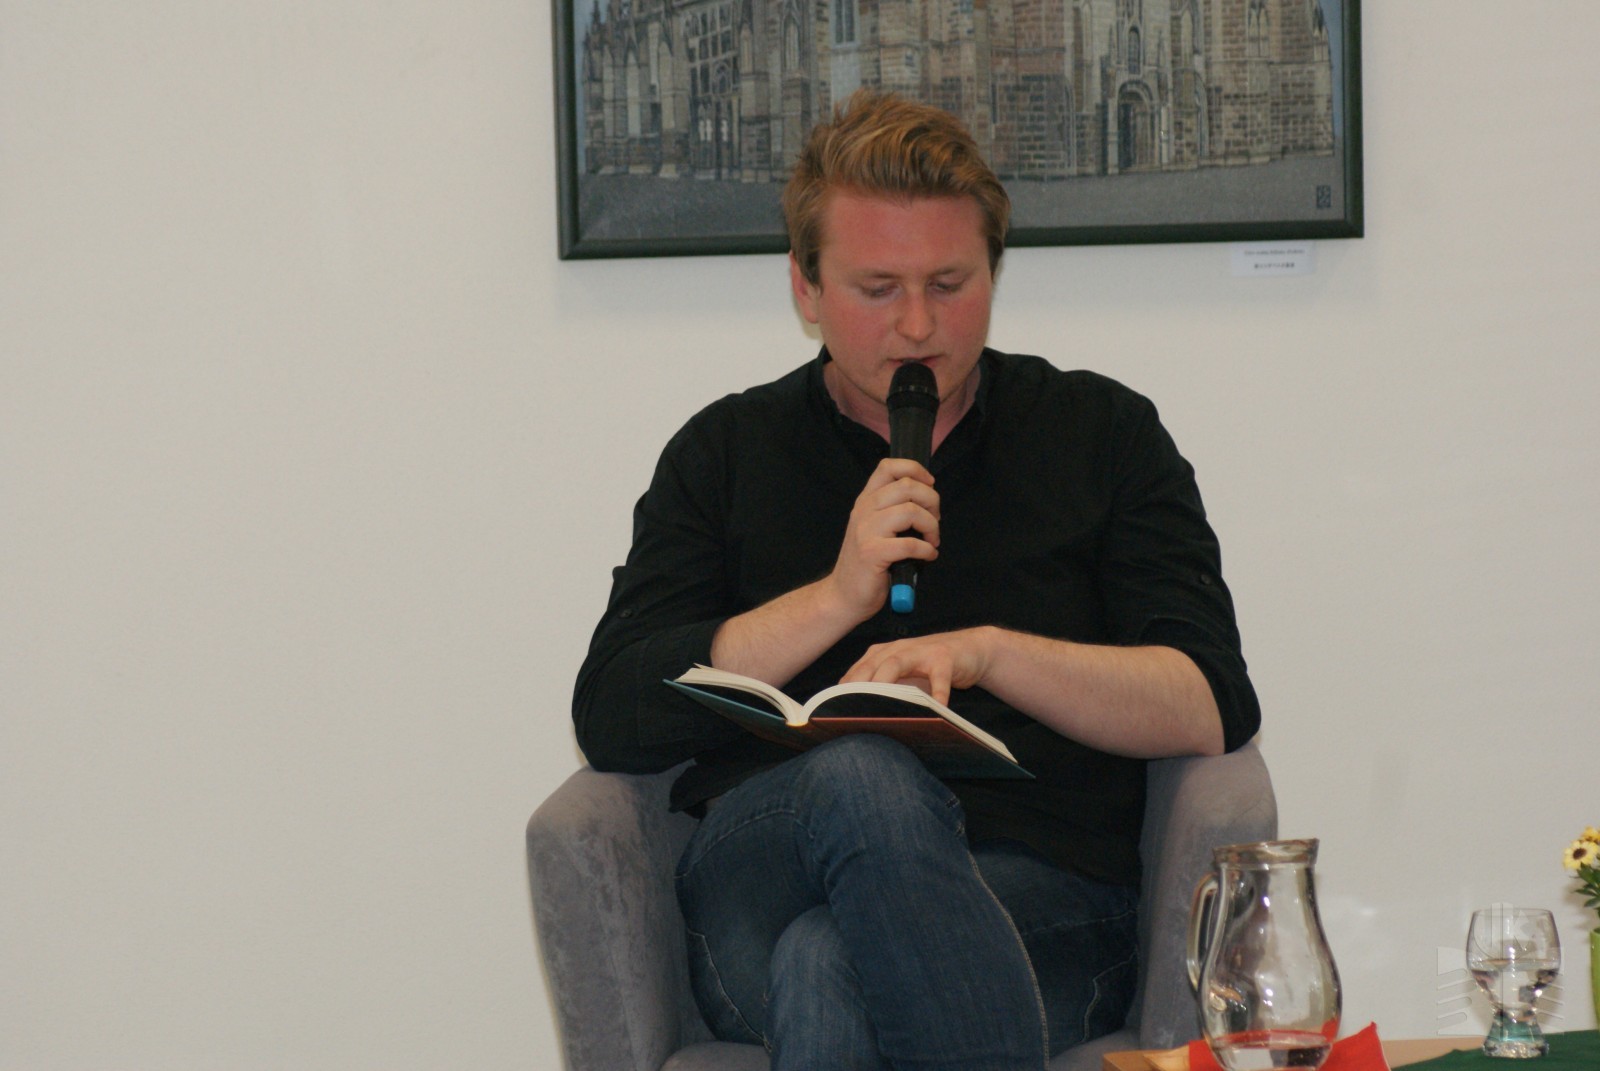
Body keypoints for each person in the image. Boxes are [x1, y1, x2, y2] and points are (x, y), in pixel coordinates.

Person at [572, 89, 1260, 1071]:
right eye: (877, 288)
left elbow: (1209, 702)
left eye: (949, 282)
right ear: (806, 288)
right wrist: (837, 599)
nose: (917, 324)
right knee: (860, 773)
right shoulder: (723, 453)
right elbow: (613, 713)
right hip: (765, 885)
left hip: (1042, 899)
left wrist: (987, 655)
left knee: (829, 968)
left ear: (994, 272)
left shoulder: (1102, 435)